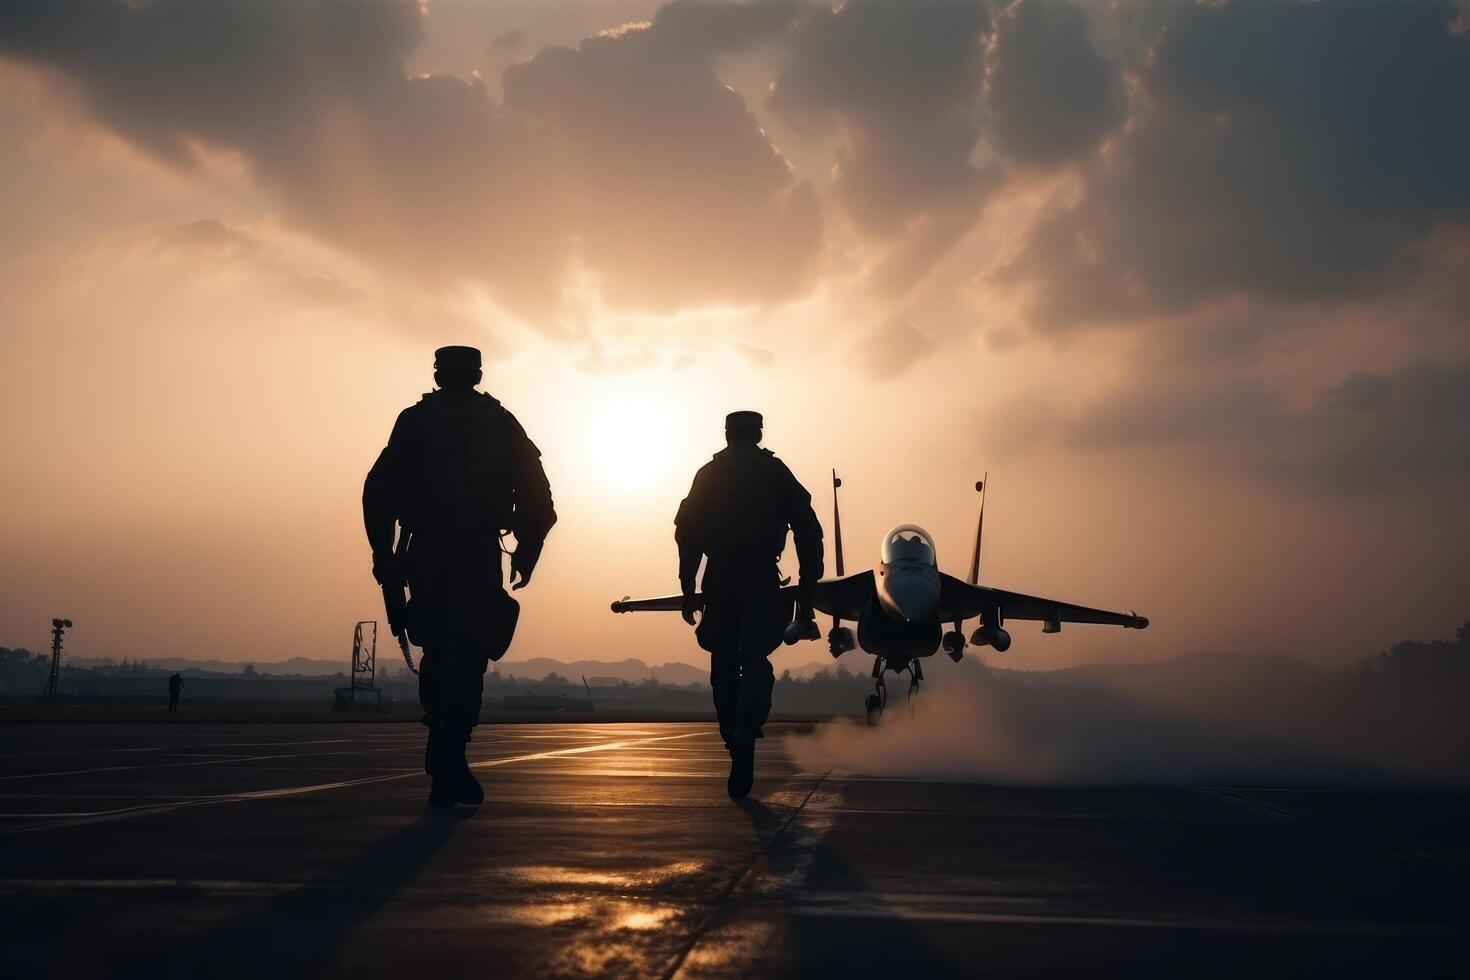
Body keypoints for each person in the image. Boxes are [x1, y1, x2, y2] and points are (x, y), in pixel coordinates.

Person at [363, 346, 556, 807]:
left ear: (437, 373)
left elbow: (377, 488)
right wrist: (527, 552)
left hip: (426, 553)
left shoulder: (414, 421)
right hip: (473, 554)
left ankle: (442, 738)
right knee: (467, 653)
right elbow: (538, 496)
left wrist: (382, 553)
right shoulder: (499, 422)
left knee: (437, 648)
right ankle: (451, 746)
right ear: (478, 373)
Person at [675, 411, 823, 799]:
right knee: (756, 658)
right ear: (758, 434)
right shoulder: (774, 472)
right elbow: (808, 528)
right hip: (760, 577)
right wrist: (807, 589)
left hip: (720, 577)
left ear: (727, 434)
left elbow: (686, 533)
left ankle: (731, 735)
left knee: (723, 660)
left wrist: (687, 584)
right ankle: (747, 727)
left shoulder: (709, 474)